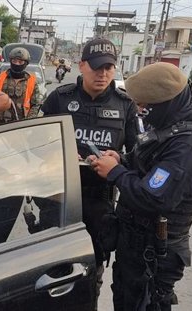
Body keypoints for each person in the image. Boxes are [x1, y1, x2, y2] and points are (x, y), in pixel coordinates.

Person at [90, 62, 192, 311]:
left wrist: (116, 172)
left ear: (166, 103)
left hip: (154, 254)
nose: (140, 110)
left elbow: (154, 198)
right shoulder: (170, 128)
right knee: (125, 300)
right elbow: (149, 166)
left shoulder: (189, 144)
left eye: (145, 106)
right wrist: (121, 160)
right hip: (135, 245)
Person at [40, 37, 138, 308]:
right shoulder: (60, 98)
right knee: (50, 270)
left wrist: (119, 158)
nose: (103, 73)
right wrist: (57, 154)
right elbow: (33, 144)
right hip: (58, 198)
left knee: (91, 270)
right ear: (81, 66)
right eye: (96, 67)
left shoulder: (125, 105)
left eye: (109, 67)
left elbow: (139, 156)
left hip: (99, 201)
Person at [0, 47, 43, 124]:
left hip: (20, 125)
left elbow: (36, 104)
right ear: (10, 61)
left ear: (26, 63)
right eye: (14, 61)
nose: (17, 64)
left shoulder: (31, 81)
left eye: (20, 62)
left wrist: (28, 121)